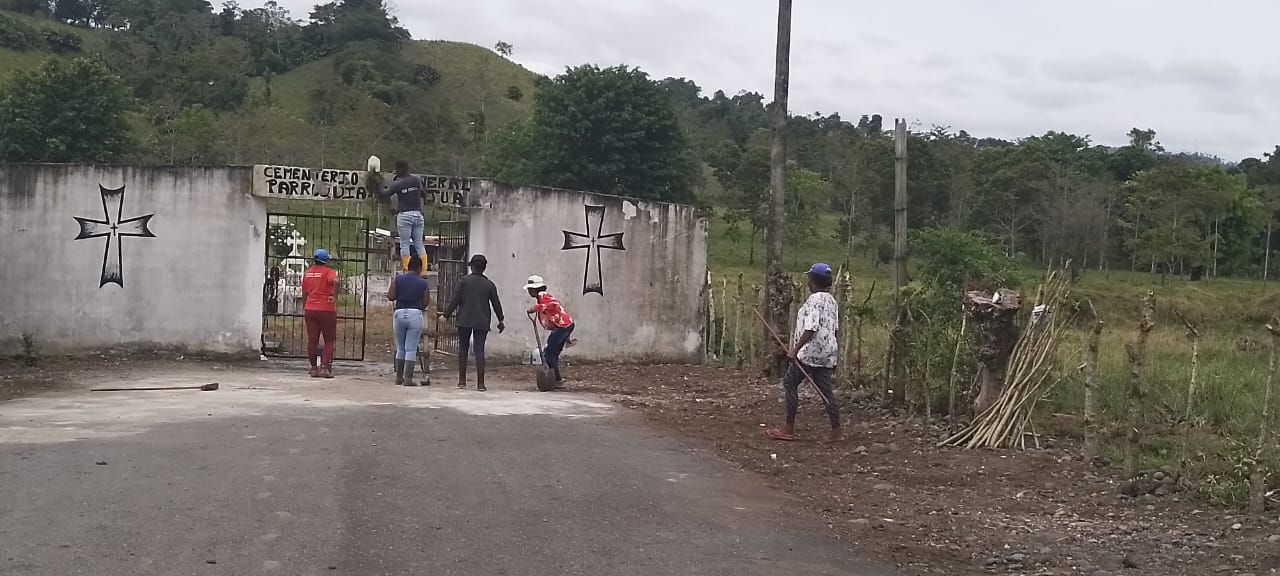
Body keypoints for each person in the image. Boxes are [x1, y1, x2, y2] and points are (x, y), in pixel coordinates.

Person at [767, 262, 844, 444]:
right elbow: (834, 329)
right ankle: (837, 431)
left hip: (810, 352)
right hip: (827, 351)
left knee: (789, 382)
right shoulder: (832, 301)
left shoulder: (814, 300)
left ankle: (788, 428)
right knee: (826, 391)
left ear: (813, 281)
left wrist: (795, 350)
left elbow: (811, 327)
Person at [439, 254, 504, 391]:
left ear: (472, 266)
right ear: (484, 268)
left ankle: (462, 381)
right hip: (482, 321)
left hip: (464, 320)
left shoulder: (464, 281)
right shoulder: (489, 285)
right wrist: (501, 320)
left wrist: (446, 315)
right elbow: (496, 304)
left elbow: (455, 300)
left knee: (463, 349)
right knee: (479, 351)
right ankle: (481, 384)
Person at [387, 255, 431, 386]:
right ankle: (408, 379)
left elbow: (391, 296)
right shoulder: (423, 283)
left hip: (399, 313)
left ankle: (399, 377)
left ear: (408, 266)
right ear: (419, 268)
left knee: (401, 347)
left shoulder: (398, 279)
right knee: (411, 348)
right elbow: (425, 302)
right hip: (415, 314)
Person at [378, 160, 427, 274]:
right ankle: (423, 271)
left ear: (400, 169)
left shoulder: (398, 184)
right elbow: (424, 194)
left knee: (404, 244)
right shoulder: (416, 180)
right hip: (418, 214)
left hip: (405, 215)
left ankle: (407, 270)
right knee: (419, 244)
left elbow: (384, 194)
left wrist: (377, 184)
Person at [525, 275, 574, 386]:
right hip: (564, 326)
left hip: (562, 327)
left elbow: (553, 304)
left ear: (535, 289)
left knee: (548, 354)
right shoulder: (541, 297)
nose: (529, 291)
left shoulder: (543, 296)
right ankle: (554, 378)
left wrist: (535, 308)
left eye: (530, 289)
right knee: (553, 354)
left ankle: (556, 380)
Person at [301, 248, 339, 379]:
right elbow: (336, 281)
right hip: (326, 308)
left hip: (310, 308)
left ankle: (313, 368)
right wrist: (334, 296)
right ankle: (324, 368)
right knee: (329, 340)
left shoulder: (307, 273)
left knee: (312, 341)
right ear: (326, 260)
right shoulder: (329, 272)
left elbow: (304, 292)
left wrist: (306, 305)